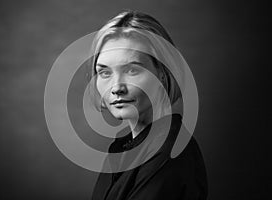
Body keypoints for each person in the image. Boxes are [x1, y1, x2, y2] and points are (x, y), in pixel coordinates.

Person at [89, 10, 208, 200]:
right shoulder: (125, 147)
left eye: (132, 70)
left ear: (162, 71)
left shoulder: (169, 154)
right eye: (105, 73)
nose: (116, 87)